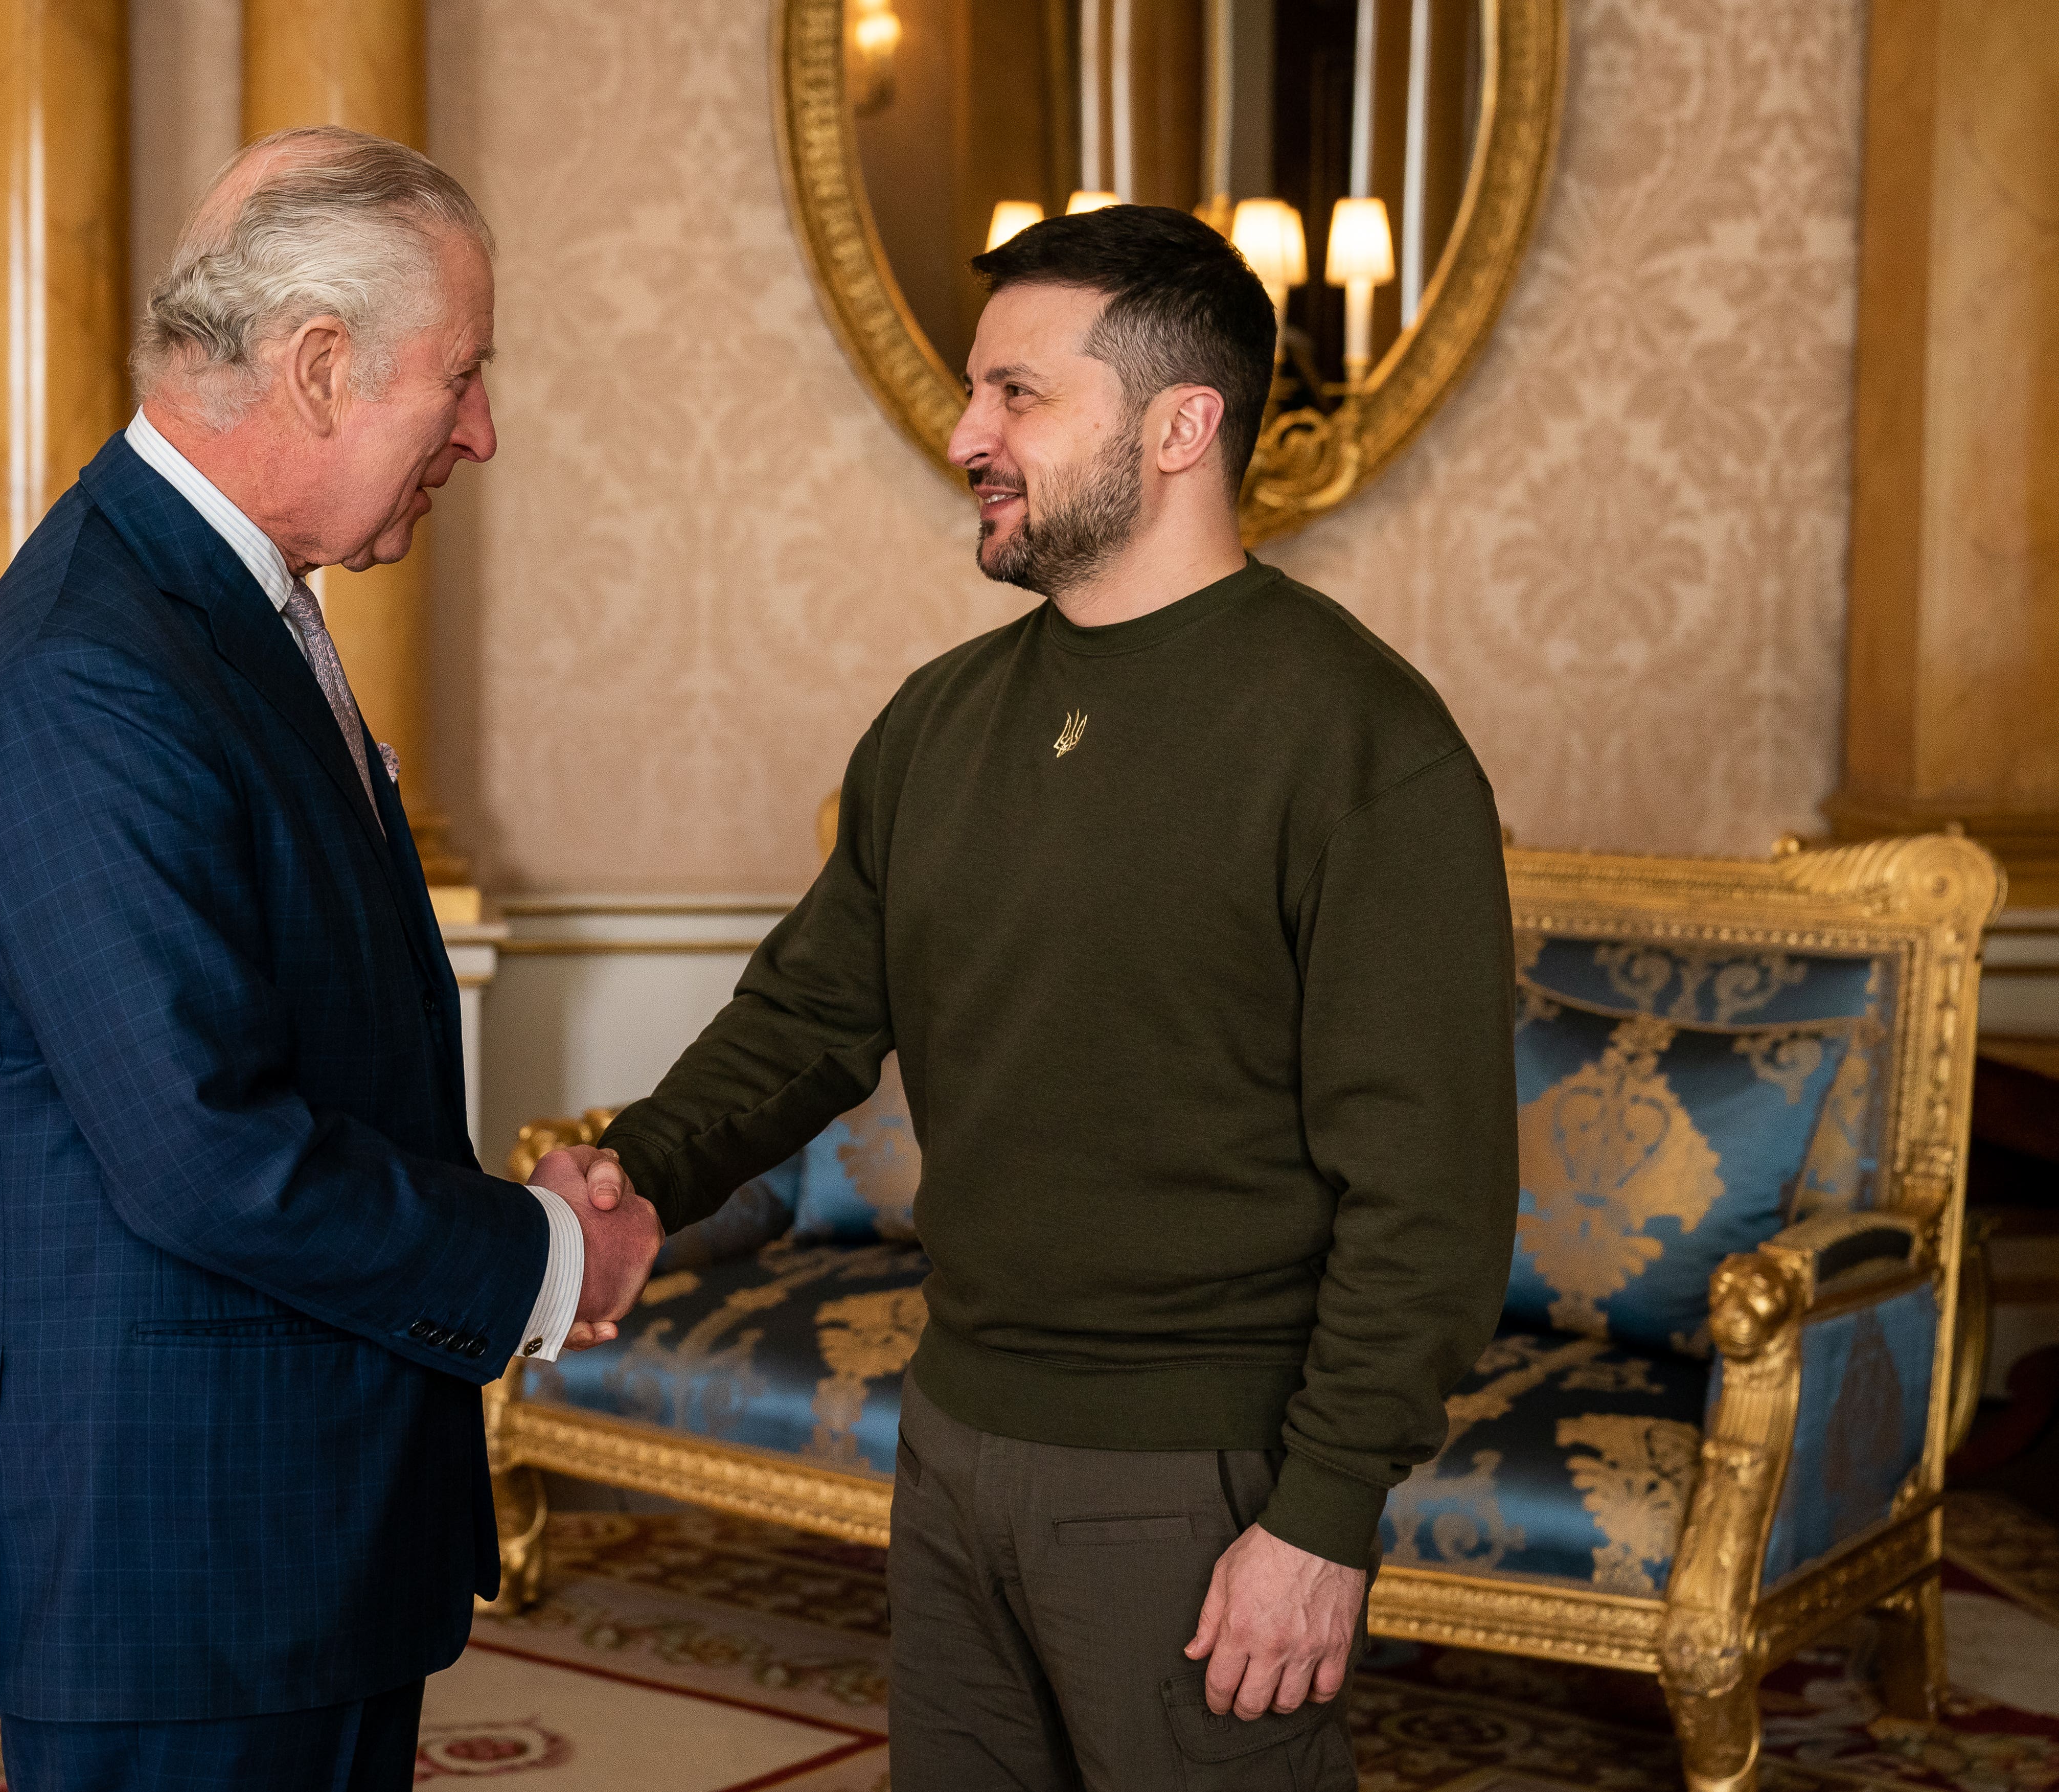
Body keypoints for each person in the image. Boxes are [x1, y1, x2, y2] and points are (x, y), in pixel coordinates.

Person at [592, 205, 1519, 1788]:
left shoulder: (1361, 738)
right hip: (949, 1436)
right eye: (975, 394)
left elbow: (1426, 1190)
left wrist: (1316, 1520)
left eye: (1017, 395)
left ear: (1180, 425)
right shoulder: (939, 720)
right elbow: (805, 1015)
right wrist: (631, 1176)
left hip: (1199, 1469)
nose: (965, 435)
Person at [0, 126, 661, 1790]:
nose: (483, 427)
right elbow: (203, 1153)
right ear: (322, 368)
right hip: (177, 1567)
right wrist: (543, 1260)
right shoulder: (92, 669)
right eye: (458, 375)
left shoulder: (221, 602)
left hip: (284, 1537)